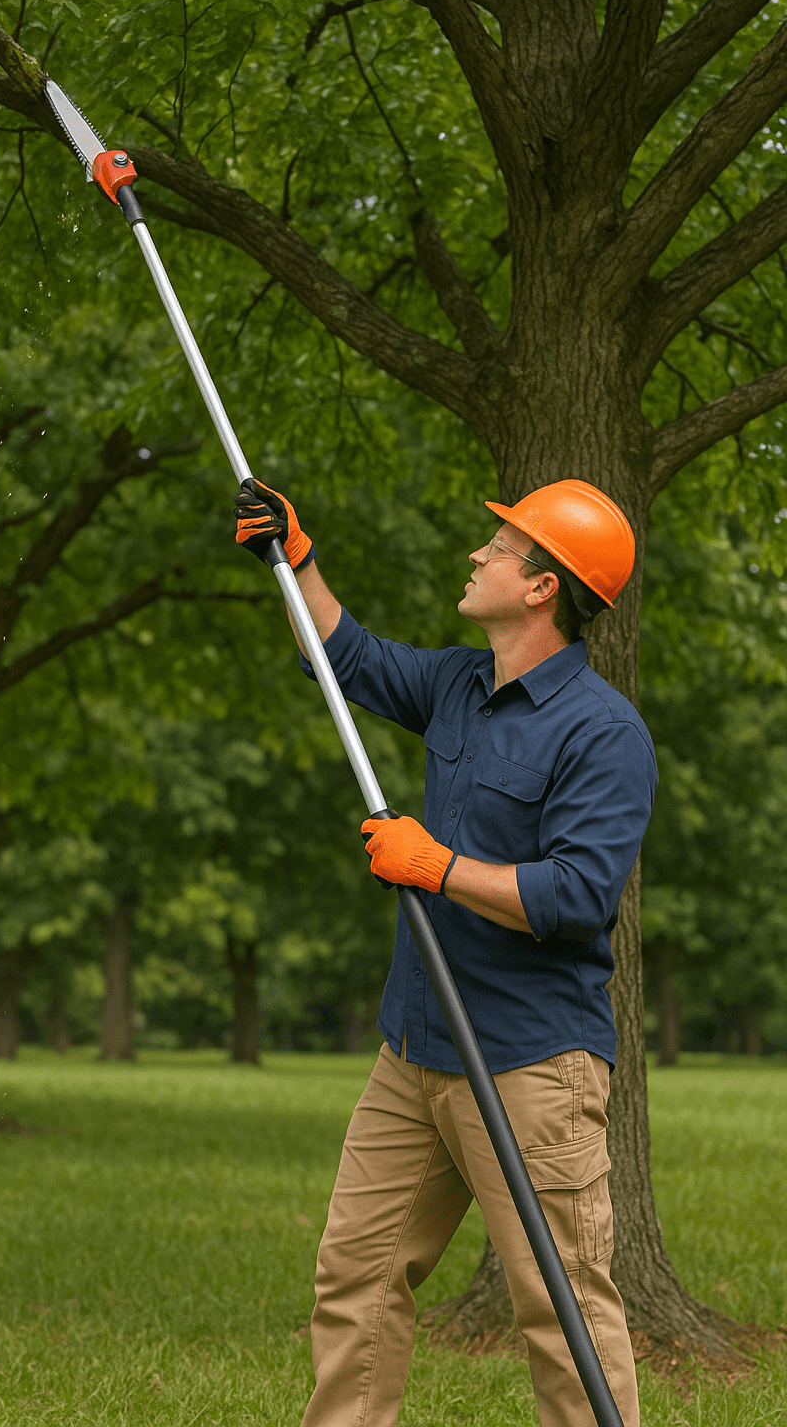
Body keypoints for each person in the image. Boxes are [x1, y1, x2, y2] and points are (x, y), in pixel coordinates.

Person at [234, 478, 657, 1427]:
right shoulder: (461, 686)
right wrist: (295, 560)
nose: (480, 554)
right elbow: (348, 659)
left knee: (564, 1311)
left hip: (531, 1065)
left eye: (500, 545)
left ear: (543, 587)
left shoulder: (603, 733)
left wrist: (439, 866)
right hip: (414, 1050)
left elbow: (578, 898)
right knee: (357, 1277)